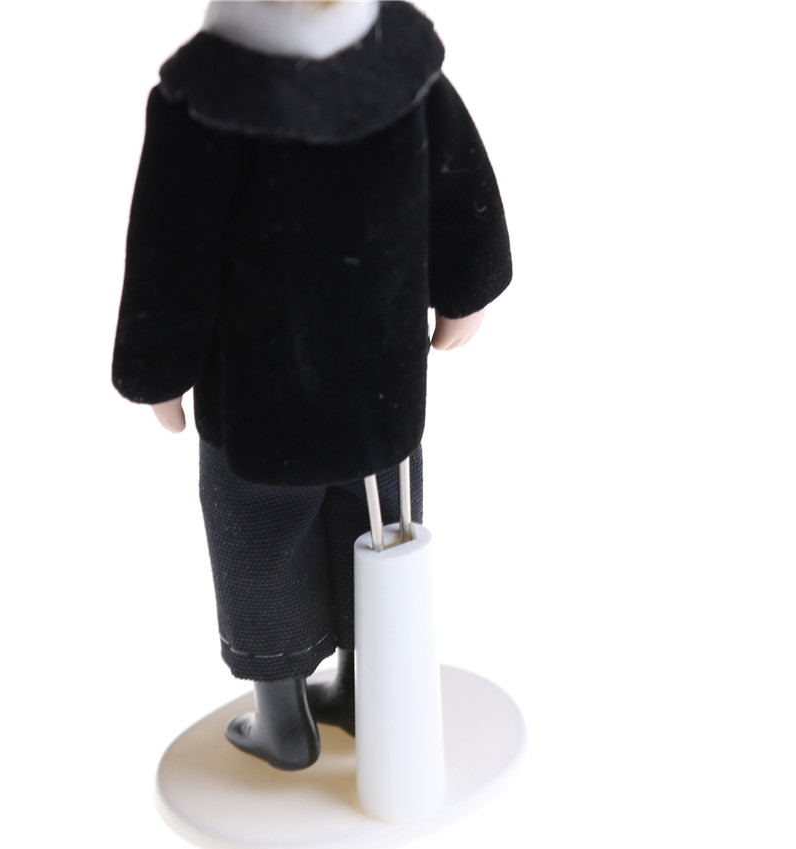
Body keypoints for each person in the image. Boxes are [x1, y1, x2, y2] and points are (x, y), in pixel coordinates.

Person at [113, 0, 512, 769]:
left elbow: (171, 254)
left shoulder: (203, 104)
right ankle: (369, 689)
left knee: (260, 551)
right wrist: (467, 290)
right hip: (379, 389)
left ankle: (284, 720)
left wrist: (158, 372)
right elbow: (458, 182)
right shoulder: (400, 66)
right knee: (380, 534)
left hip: (259, 404)